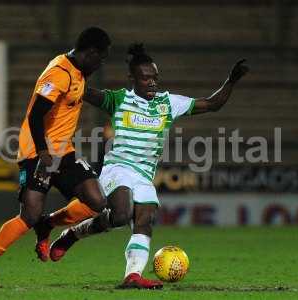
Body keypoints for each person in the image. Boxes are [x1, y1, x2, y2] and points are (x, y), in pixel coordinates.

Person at [35, 43, 249, 289]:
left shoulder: (168, 103)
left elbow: (212, 104)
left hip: (145, 175)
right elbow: (81, 90)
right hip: (118, 168)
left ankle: (132, 276)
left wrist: (231, 80)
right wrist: (63, 75)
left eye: (155, 78)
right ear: (132, 78)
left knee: (141, 221)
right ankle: (70, 234)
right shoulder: (118, 99)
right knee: (123, 214)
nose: (152, 83)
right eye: (146, 78)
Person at [0, 27, 111, 288]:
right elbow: (36, 115)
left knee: (96, 201)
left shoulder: (77, 71)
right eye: (101, 58)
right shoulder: (60, 73)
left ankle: (48, 225)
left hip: (63, 152)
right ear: (90, 53)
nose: (101, 64)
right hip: (37, 152)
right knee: (29, 215)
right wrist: (43, 152)